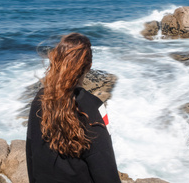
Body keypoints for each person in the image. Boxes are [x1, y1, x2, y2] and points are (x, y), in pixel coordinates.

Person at [26, 33, 121, 183]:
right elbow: (105, 168)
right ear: (88, 67)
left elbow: (31, 152)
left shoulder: (40, 98)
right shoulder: (94, 106)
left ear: (57, 60)